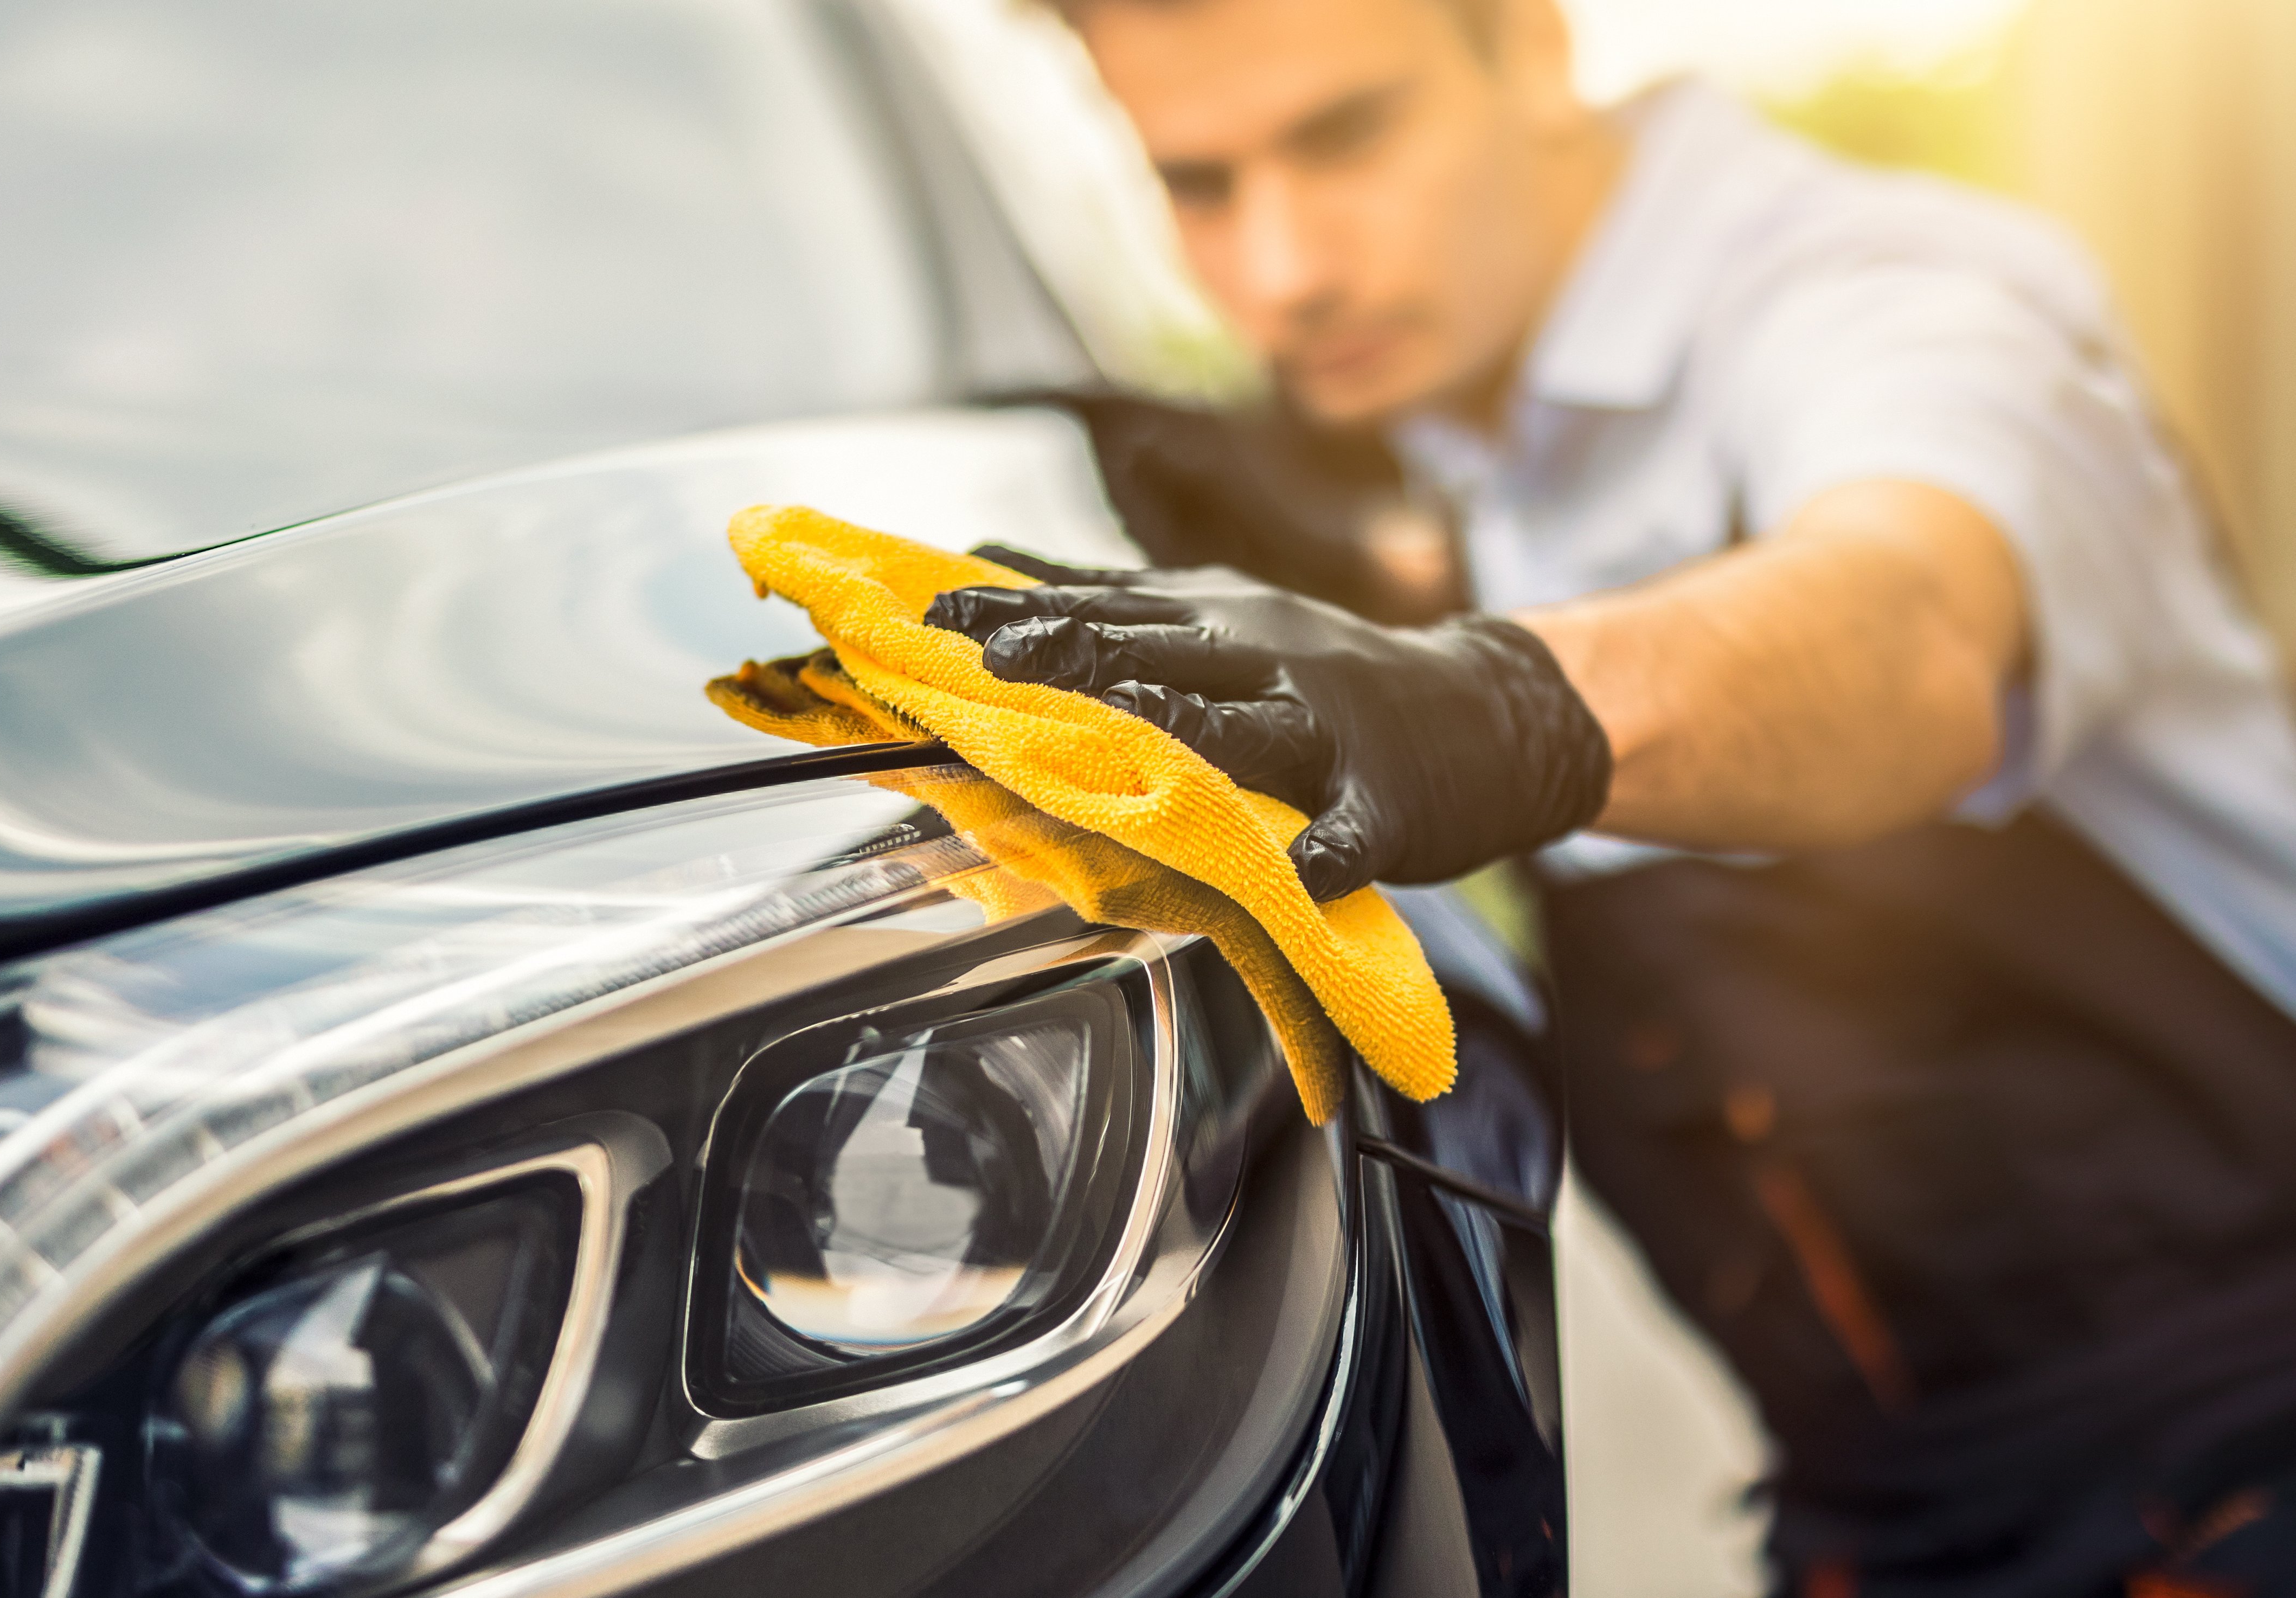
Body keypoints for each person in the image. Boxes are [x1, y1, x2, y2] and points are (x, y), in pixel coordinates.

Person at [925, 0, 2296, 1591]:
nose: (1286, 269)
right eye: (1203, 187)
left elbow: (1909, 622)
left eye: (1347, 136)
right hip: (1900, 1512)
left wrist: (1500, 704)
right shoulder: (1467, 418)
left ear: (1531, 43)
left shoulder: (1889, 295)